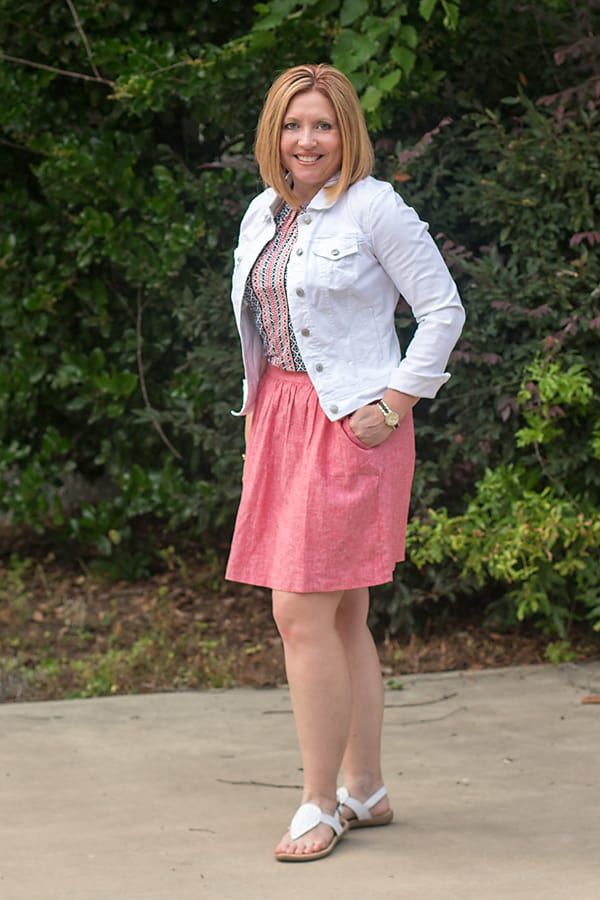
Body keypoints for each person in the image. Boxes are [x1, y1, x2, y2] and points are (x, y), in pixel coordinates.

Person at [225, 63, 465, 862]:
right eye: (294, 126)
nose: (306, 140)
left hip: (353, 426)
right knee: (341, 614)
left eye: (322, 125)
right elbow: (265, 332)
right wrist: (258, 417)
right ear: (274, 136)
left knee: (298, 612)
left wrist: (397, 402)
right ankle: (366, 787)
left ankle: (318, 802)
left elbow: (442, 309)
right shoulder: (264, 213)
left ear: (347, 132)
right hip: (283, 421)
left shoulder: (376, 208)